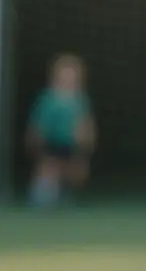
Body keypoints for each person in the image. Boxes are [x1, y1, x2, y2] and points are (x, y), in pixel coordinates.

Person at [25, 53, 96, 207]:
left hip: (71, 144)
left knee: (75, 173)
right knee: (49, 169)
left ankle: (63, 195)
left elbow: (84, 122)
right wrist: (36, 138)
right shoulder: (48, 98)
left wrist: (86, 139)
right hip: (52, 141)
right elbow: (39, 123)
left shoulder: (80, 99)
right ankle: (41, 198)